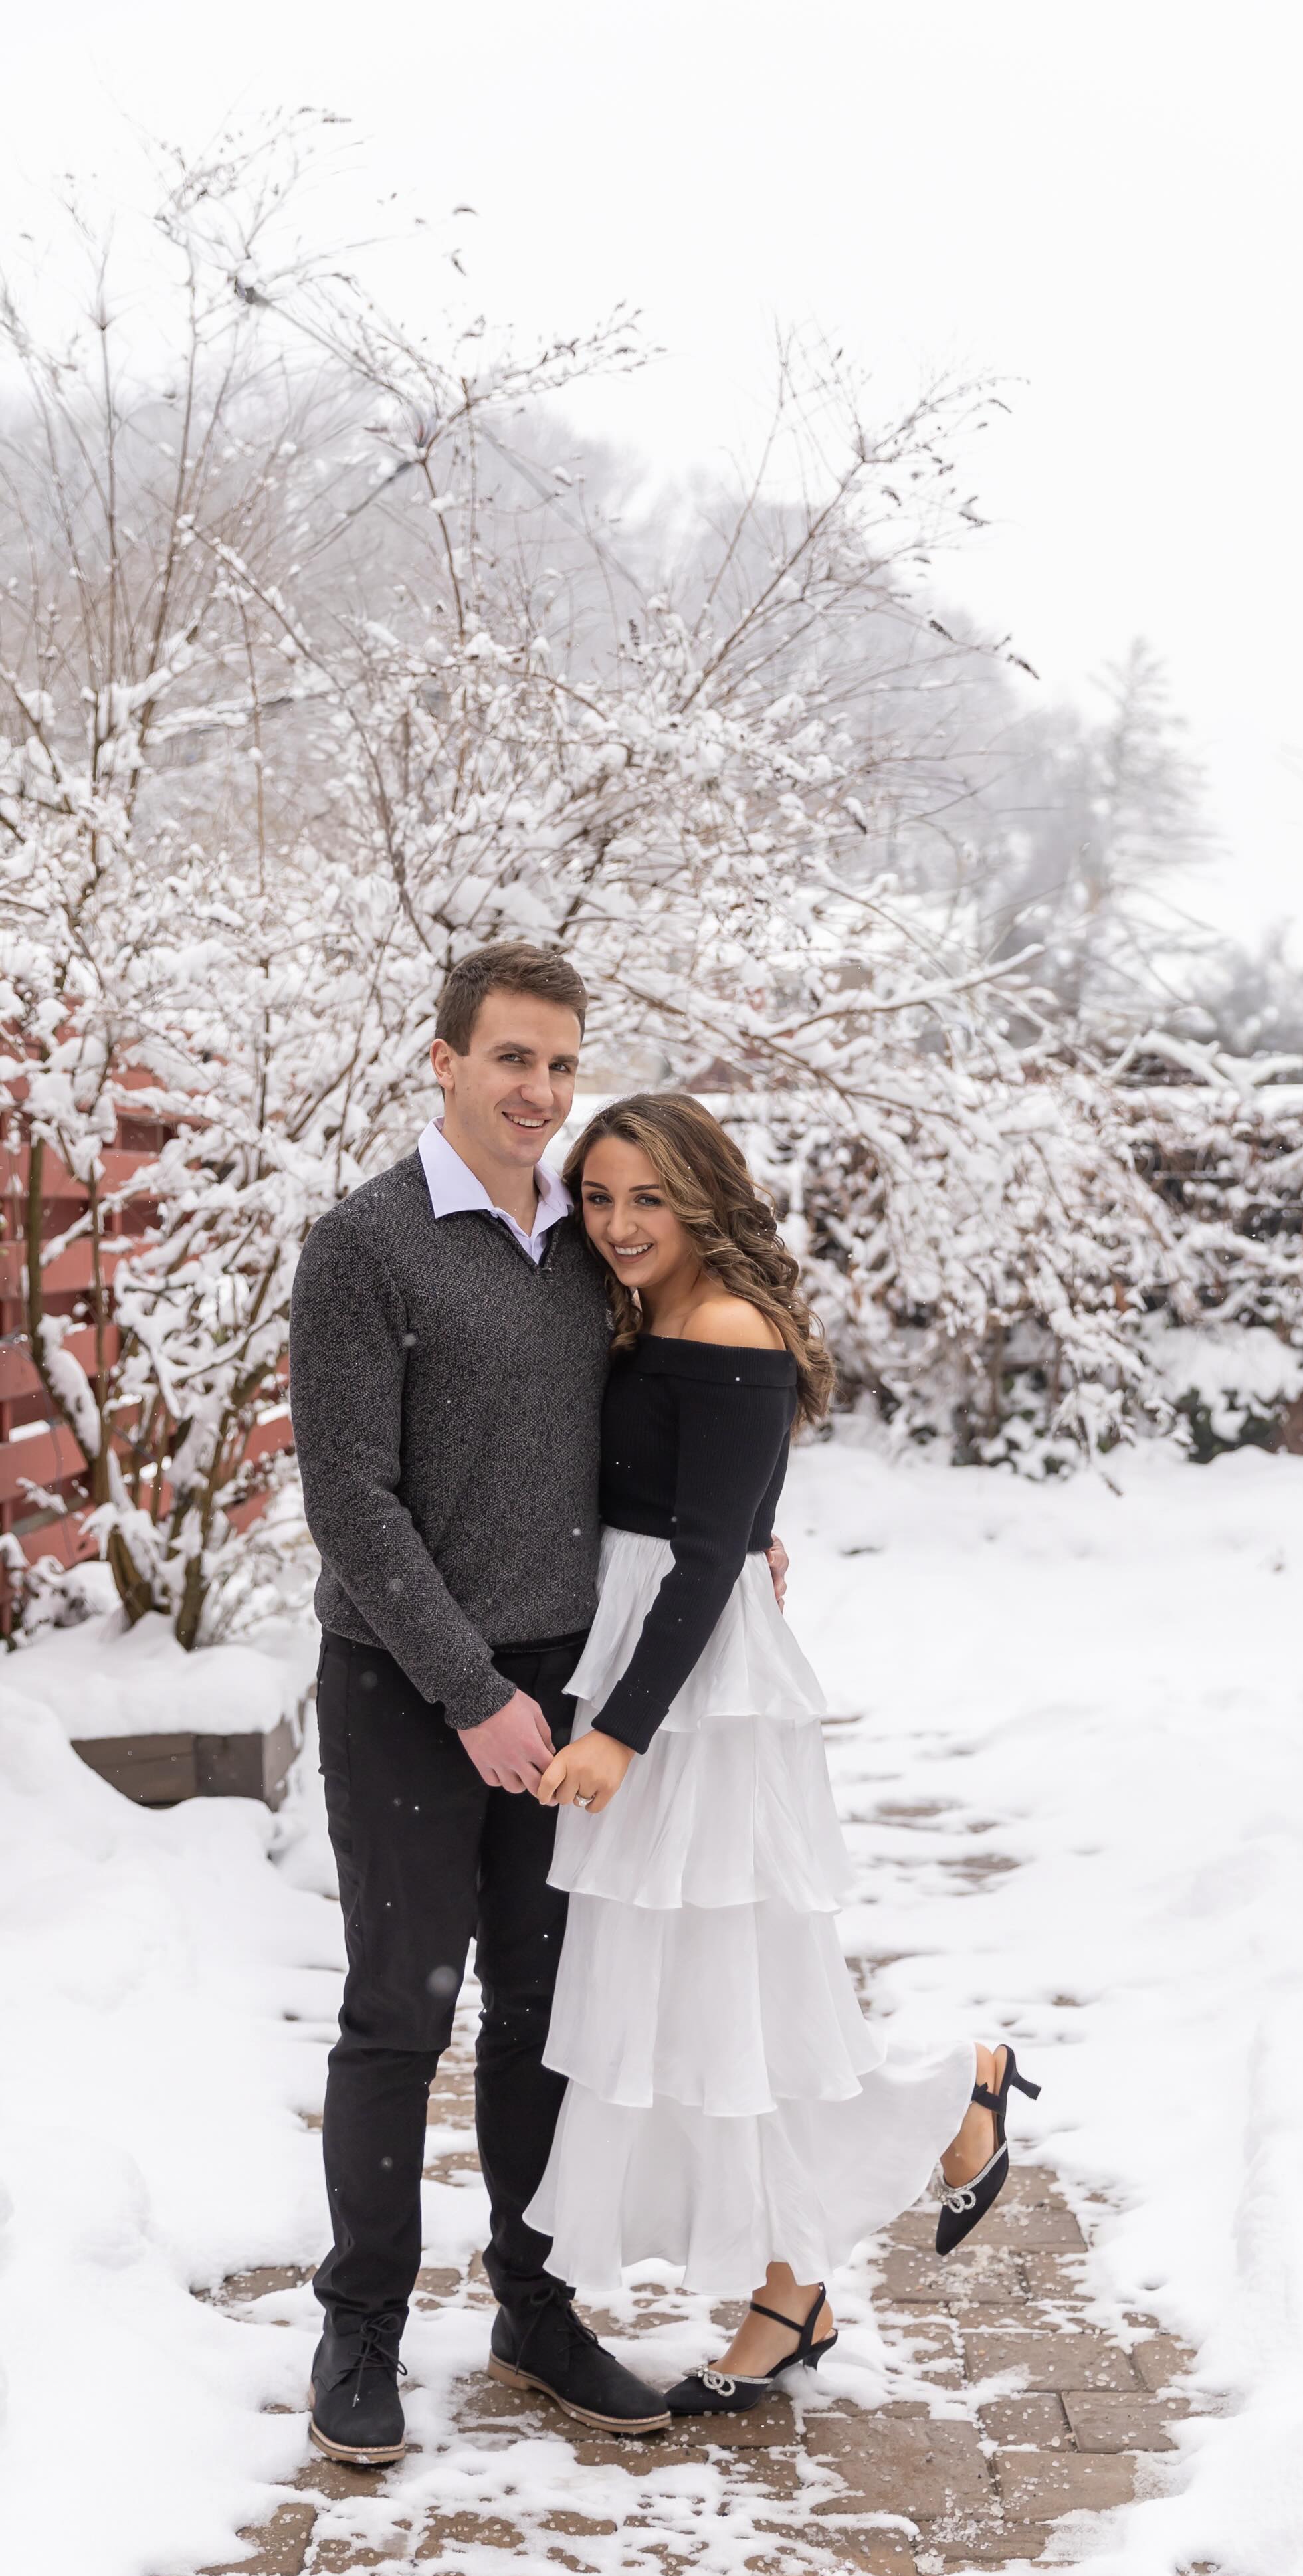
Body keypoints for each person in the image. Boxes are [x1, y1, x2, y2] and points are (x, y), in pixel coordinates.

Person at [522, 1094, 1039, 2413]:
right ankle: (791, 2275)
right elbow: (722, 1519)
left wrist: (621, 1733)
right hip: (661, 1654)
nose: (621, 1223)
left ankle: (944, 2105)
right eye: (599, 1197)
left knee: (725, 1996)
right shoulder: (660, 1313)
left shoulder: (729, 1324)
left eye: (649, 1197)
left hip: (696, 1705)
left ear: (702, 1198)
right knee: (697, 2007)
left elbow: (705, 1553)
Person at [288, 943, 680, 2464]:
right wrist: (467, 1691)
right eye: (514, 1058)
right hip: (405, 1685)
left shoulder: (592, 1241)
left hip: (561, 1689)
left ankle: (536, 2303)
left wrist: (731, 1521)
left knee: (543, 2015)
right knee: (399, 2012)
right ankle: (362, 2321)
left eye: (563, 1064)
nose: (542, 1092)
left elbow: (646, 1425)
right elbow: (351, 1499)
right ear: (443, 1060)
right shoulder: (366, 1245)